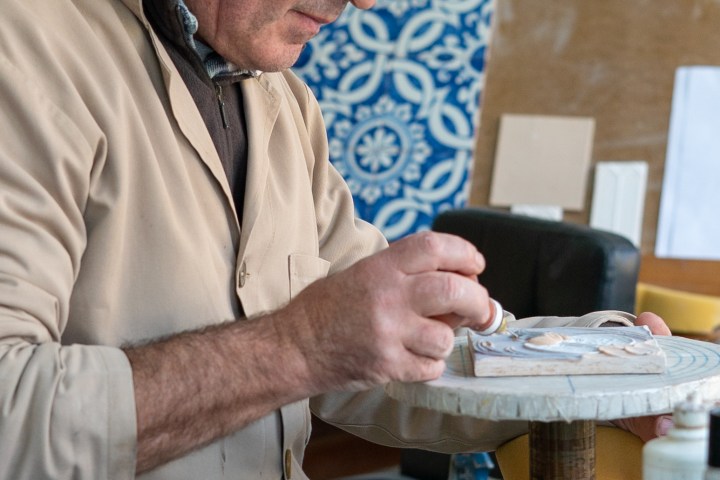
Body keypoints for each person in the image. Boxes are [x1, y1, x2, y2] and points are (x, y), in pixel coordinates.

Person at [0, 0, 671, 478]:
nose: (364, 0)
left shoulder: (283, 102)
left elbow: (385, 349)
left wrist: (590, 376)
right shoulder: (24, 48)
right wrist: (299, 347)